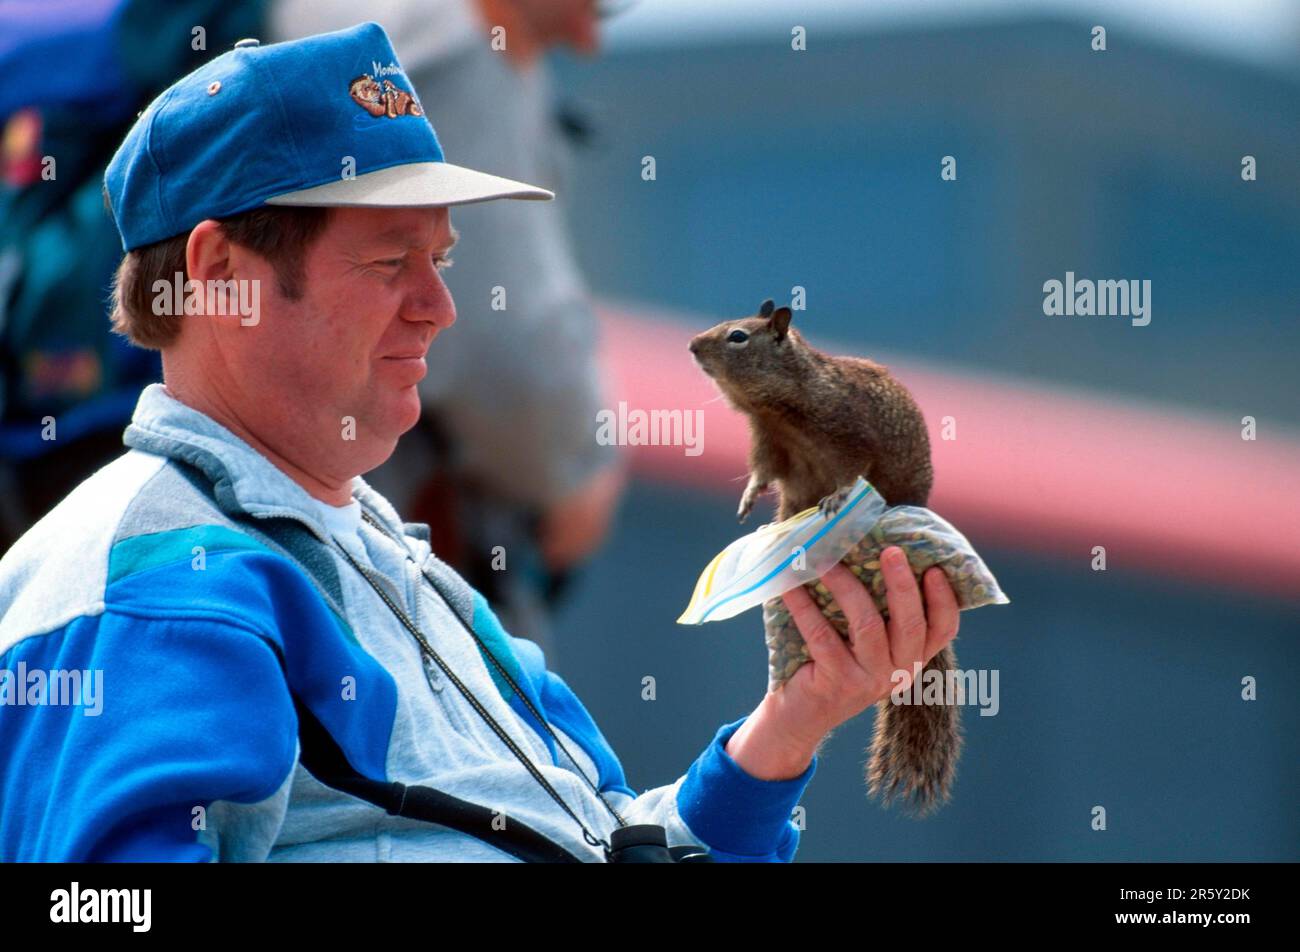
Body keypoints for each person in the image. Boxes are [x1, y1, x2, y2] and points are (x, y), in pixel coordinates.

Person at [0, 23, 961, 862]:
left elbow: (606, 835)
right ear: (220, 275)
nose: (440, 306)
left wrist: (785, 730)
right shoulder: (154, 583)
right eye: (390, 262)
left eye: (443, 260)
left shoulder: (405, 569)